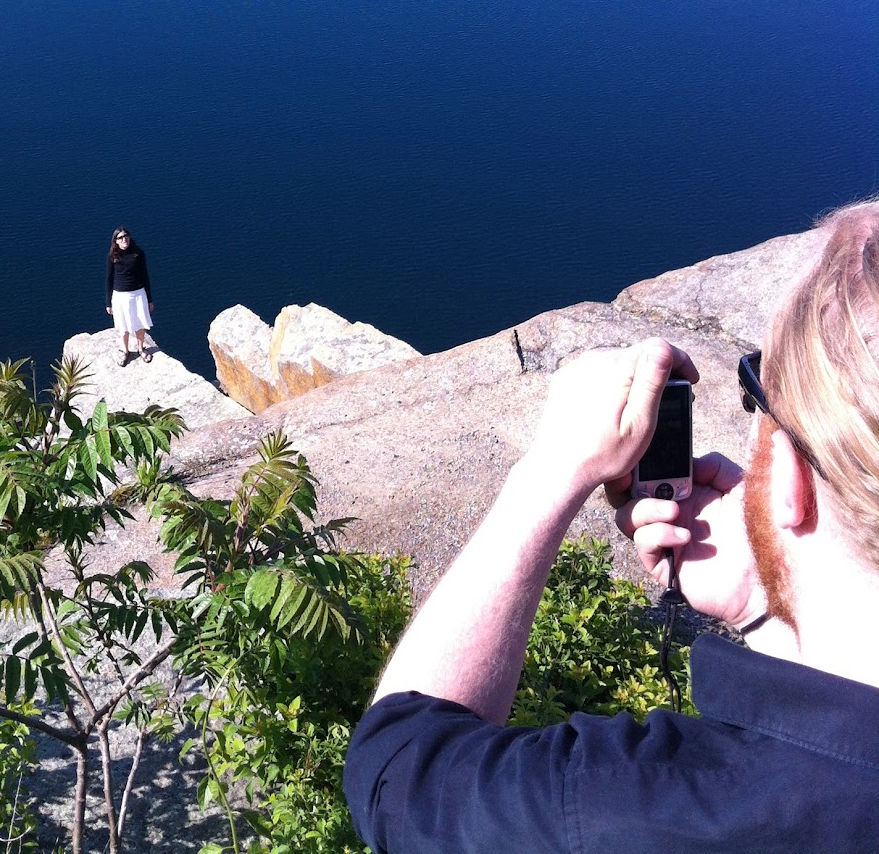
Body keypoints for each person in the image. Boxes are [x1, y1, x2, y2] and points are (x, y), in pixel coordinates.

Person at [344, 199, 879, 852]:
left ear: (792, 476)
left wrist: (550, 469)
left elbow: (397, 770)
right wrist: (764, 598)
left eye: (756, 388)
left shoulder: (639, 811)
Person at [105, 227, 154, 366]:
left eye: (126, 236)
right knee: (123, 325)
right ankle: (125, 351)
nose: (124, 239)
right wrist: (108, 303)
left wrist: (150, 299)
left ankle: (140, 349)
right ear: (116, 241)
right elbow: (108, 279)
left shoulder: (138, 254)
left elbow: (145, 276)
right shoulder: (112, 256)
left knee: (139, 323)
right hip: (120, 296)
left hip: (138, 293)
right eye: (120, 237)